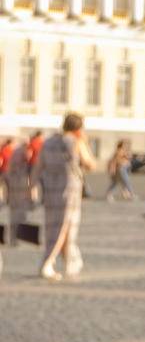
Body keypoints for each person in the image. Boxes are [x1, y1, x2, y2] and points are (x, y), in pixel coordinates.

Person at [36, 113, 97, 281]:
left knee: (53, 227)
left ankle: (70, 261)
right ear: (78, 128)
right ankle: (48, 263)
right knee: (63, 227)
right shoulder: (75, 142)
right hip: (69, 191)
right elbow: (90, 164)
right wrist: (85, 142)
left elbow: (38, 166)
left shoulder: (48, 142)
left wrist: (32, 186)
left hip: (50, 190)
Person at [4, 133, 34, 249]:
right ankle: (15, 238)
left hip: (14, 185)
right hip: (19, 186)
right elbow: (28, 161)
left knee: (14, 214)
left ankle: (13, 238)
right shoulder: (22, 152)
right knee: (19, 214)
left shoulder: (15, 151)